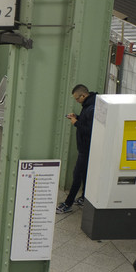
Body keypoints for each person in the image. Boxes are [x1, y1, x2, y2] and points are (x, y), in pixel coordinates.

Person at [57, 84, 97, 213]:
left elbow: (90, 130)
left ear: (83, 95)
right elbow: (87, 122)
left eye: (77, 99)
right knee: (85, 174)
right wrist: (77, 117)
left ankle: (68, 204)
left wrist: (76, 123)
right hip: (85, 148)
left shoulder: (91, 108)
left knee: (77, 176)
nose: (76, 101)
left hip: (86, 149)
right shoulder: (89, 104)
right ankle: (84, 198)